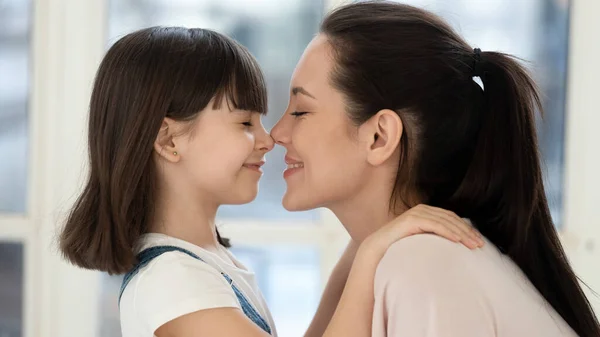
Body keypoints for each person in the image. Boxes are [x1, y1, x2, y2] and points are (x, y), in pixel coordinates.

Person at [58, 26, 480, 337]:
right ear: (169, 139)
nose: (268, 139)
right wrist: (371, 255)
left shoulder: (202, 264)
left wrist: (368, 235)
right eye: (245, 122)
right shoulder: (172, 284)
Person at [271, 1, 600, 336]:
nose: (276, 134)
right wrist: (365, 252)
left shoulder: (424, 263)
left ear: (378, 137)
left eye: (300, 111)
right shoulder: (406, 255)